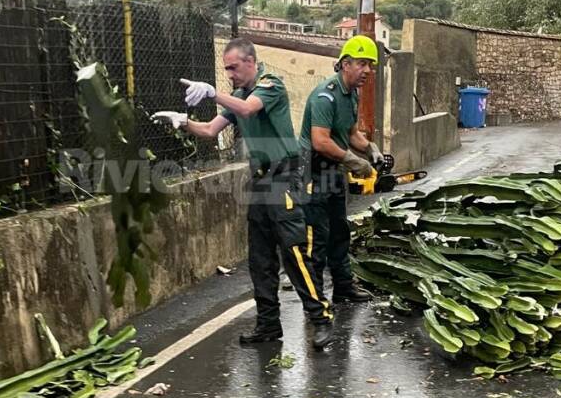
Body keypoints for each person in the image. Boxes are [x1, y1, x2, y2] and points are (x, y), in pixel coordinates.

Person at [152, 38, 334, 349]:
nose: (230, 74)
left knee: (293, 252)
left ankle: (320, 318)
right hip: (261, 182)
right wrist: (184, 123)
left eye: (234, 68)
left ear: (251, 61)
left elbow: (249, 110)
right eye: (226, 69)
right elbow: (211, 130)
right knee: (259, 258)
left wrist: (213, 92)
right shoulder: (238, 95)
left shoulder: (270, 85)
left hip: (284, 177)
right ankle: (268, 325)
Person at [300, 35, 386, 304]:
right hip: (314, 173)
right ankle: (315, 299)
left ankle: (343, 287)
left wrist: (370, 148)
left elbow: (350, 133)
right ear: (345, 64)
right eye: (363, 64)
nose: (368, 71)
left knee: (340, 231)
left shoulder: (351, 96)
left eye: (370, 65)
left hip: (334, 170)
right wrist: (354, 161)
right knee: (317, 237)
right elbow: (321, 140)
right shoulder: (325, 96)